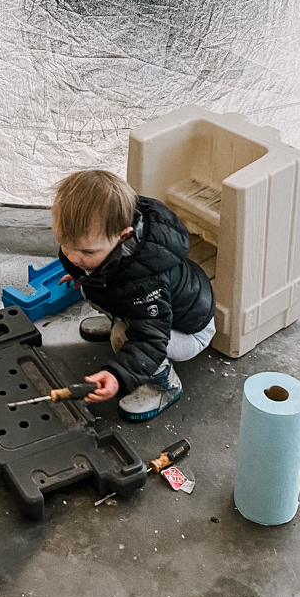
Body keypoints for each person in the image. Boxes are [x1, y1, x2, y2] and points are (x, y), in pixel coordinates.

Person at [52, 170, 215, 421]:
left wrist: (119, 376)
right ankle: (125, 321)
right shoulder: (100, 250)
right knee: (88, 286)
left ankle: (164, 387)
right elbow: (89, 261)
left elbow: (149, 339)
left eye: (86, 251)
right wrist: (82, 273)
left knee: (126, 335)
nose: (74, 257)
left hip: (186, 331)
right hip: (149, 311)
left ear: (124, 236)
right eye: (65, 244)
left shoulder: (146, 283)